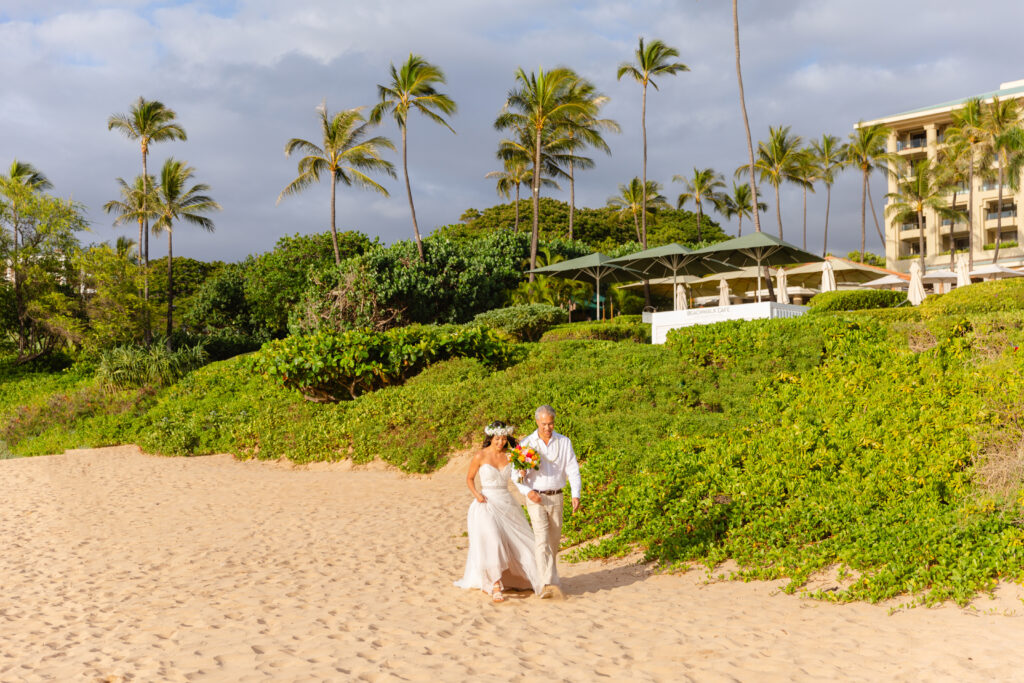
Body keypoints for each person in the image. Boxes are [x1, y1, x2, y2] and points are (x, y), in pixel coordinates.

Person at [453, 421, 545, 602]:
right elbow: (469, 478)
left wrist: (522, 473)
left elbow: (517, 477)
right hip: (485, 502)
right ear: (490, 438)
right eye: (497, 439)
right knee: (493, 539)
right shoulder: (480, 456)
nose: (501, 442)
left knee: (518, 541)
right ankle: (495, 584)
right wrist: (476, 494)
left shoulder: (511, 456)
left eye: (503, 439)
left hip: (506, 501)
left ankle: (533, 578)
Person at [514, 405, 581, 599]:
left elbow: (573, 469)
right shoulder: (527, 443)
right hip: (536, 497)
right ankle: (545, 584)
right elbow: (515, 475)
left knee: (553, 541)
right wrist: (527, 491)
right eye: (543, 424)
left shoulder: (564, 442)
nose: (547, 427)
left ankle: (551, 579)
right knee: (541, 540)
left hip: (557, 496)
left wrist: (575, 493)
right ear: (537, 422)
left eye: (550, 423)